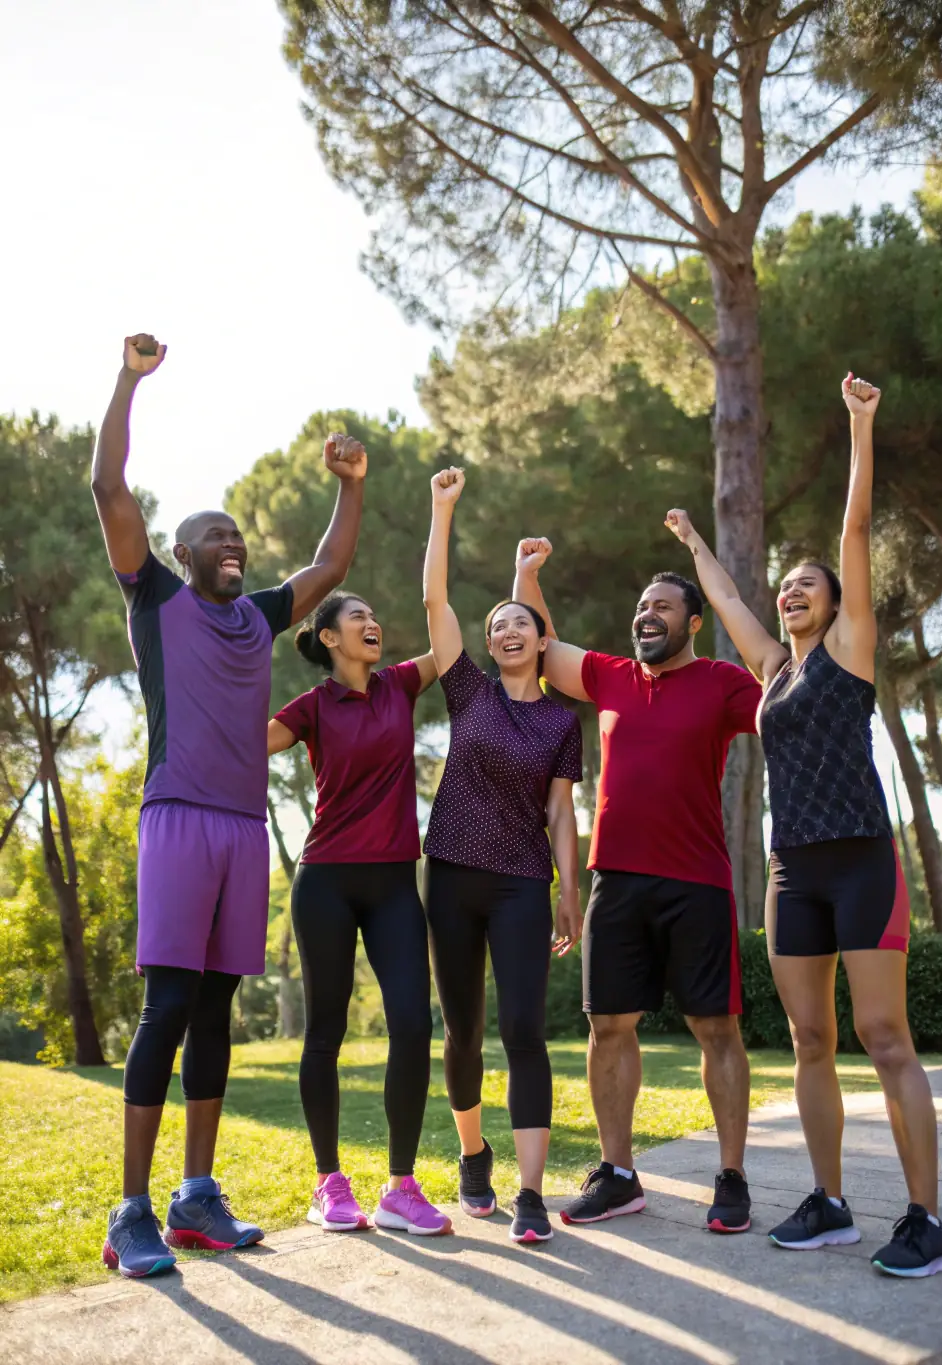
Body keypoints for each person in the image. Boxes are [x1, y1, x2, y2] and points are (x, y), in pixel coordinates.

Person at [666, 373, 942, 1278]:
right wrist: (691, 540)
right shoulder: (770, 673)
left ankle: (926, 1221)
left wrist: (861, 426)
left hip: (863, 861)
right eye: (785, 587)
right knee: (809, 1040)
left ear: (836, 602)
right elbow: (726, 602)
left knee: (884, 1035)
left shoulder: (851, 649)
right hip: (792, 869)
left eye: (807, 585)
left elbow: (855, 532)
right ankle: (830, 1202)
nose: (792, 593)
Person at [92, 334, 367, 1278]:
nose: (231, 542)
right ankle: (128, 1207)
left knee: (215, 1011)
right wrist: (130, 379)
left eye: (237, 536)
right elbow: (107, 487)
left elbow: (330, 564)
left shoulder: (258, 613)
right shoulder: (155, 597)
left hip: (245, 832)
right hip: (177, 817)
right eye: (214, 534)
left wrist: (351, 482)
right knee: (165, 1008)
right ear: (179, 551)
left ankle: (196, 1197)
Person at [513, 544, 762, 1233]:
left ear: (693, 622)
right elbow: (543, 645)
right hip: (616, 880)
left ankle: (732, 1174)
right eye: (641, 607)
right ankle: (618, 1173)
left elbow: (782, 699)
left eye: (662, 606)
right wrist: (527, 576)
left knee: (717, 1027)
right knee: (607, 1025)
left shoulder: (721, 681)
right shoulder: (613, 676)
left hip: (698, 880)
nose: (646, 615)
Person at [423, 467, 583, 1244]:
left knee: (523, 1029)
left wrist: (569, 889)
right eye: (497, 625)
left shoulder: (561, 722)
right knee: (461, 1030)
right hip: (449, 873)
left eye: (521, 622)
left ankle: (528, 1192)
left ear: (542, 637)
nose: (507, 631)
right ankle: (473, 1153)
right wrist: (442, 510)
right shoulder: (467, 694)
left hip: (523, 882)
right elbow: (434, 603)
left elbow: (560, 810)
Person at [268, 594, 451, 1236]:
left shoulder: (399, 685)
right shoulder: (312, 706)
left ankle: (400, 1187)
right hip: (325, 883)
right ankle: (329, 1183)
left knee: (412, 1024)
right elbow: (248, 744)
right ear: (328, 638)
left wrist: (444, 519)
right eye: (357, 617)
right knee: (325, 1031)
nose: (373, 623)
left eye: (377, 614)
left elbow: (449, 647)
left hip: (396, 884)